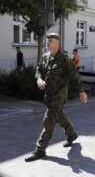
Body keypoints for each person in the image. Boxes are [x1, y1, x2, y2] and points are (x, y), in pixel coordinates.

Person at [25, 33, 88, 162]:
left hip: (60, 94)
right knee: (59, 115)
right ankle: (71, 134)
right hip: (49, 94)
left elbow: (74, 75)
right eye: (47, 40)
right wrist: (39, 79)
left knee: (49, 120)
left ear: (57, 43)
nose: (47, 42)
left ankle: (40, 149)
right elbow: (38, 70)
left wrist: (82, 91)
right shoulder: (45, 57)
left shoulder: (65, 59)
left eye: (50, 40)